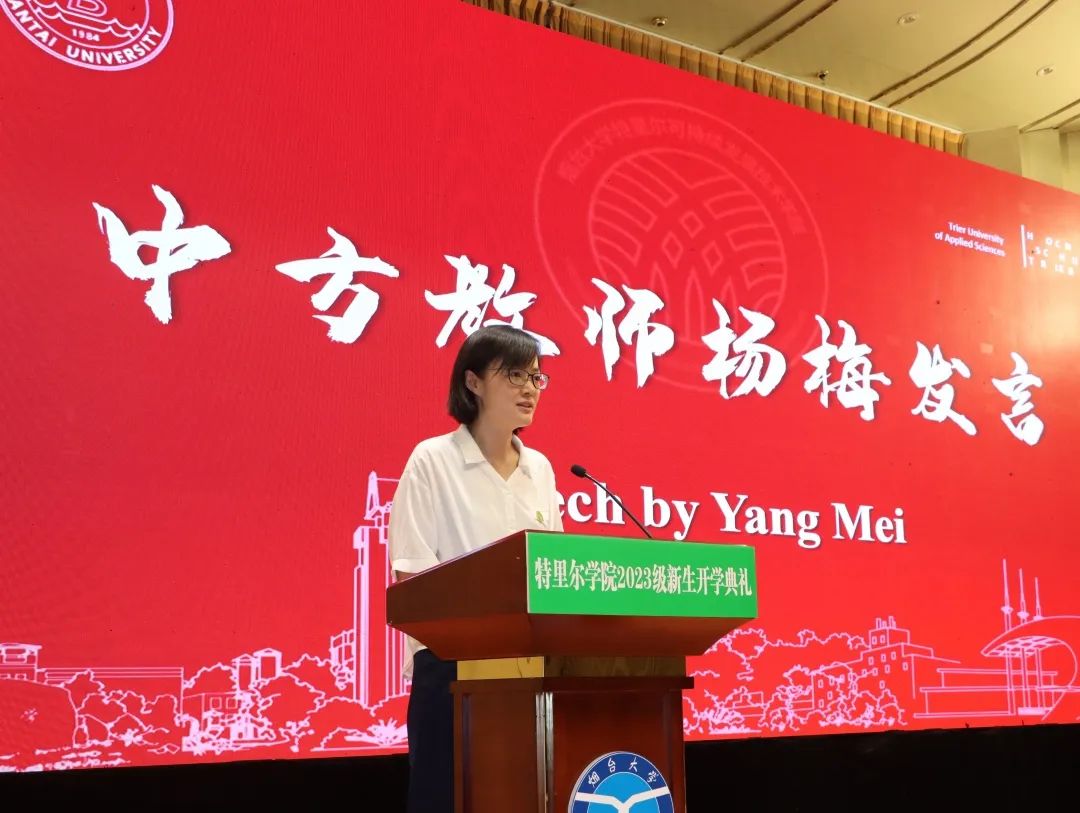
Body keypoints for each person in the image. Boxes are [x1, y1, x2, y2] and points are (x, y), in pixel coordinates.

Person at [388, 324, 563, 813]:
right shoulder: (432, 461)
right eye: (514, 375)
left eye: (536, 377)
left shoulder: (540, 469)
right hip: (451, 673)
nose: (530, 388)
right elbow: (412, 578)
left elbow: (553, 571)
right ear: (473, 382)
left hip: (529, 675)